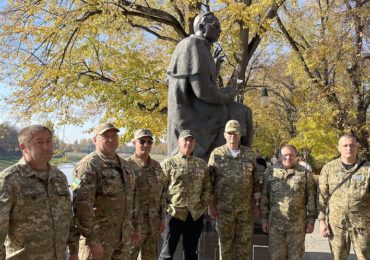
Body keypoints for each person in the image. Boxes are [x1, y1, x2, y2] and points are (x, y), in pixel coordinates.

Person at [167, 11, 253, 160]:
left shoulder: (198, 46)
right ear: (202, 26)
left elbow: (200, 82)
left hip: (196, 107)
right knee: (242, 112)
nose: (220, 30)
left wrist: (214, 66)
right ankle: (240, 159)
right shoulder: (194, 44)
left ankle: (241, 159)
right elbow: (203, 92)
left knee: (239, 110)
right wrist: (230, 94)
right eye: (215, 26)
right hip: (191, 113)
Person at [0, 125, 78, 259]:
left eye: (49, 141)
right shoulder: (9, 180)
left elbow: (68, 217)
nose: (46, 147)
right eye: (39, 142)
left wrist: (74, 251)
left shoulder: (59, 177)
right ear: (24, 147)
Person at [71, 123, 137, 260]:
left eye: (114, 136)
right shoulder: (87, 166)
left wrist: (135, 227)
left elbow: (132, 198)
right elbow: (81, 207)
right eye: (106, 136)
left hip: (123, 240)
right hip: (98, 242)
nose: (111, 139)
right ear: (94, 140)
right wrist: (93, 242)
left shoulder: (126, 166)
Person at [208, 120, 261, 260]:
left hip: (245, 210)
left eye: (236, 133)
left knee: (244, 248)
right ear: (225, 134)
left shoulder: (249, 154)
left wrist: (257, 204)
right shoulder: (217, 154)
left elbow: (255, 181)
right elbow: (209, 182)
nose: (233, 136)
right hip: (224, 210)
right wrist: (210, 205)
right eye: (230, 133)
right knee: (225, 248)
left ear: (240, 135)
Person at [159, 129, 213, 260]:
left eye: (191, 140)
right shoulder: (168, 163)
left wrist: (202, 206)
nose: (188, 143)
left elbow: (207, 187)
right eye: (185, 140)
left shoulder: (201, 164)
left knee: (191, 253)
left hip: (194, 215)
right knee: (167, 253)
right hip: (174, 213)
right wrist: (164, 210)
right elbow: (160, 189)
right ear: (179, 142)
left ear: (194, 143)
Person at [318, 134, 370, 260]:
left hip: (363, 224)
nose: (349, 148)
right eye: (345, 145)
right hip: (337, 224)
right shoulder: (329, 168)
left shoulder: (367, 168)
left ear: (357, 148)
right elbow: (322, 196)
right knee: (338, 257)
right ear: (339, 148)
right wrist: (322, 221)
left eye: (352, 145)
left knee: (365, 256)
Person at [261, 144, 316, 260]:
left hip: (297, 225)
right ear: (279, 157)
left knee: (295, 257)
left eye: (291, 155)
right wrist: (264, 219)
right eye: (285, 155)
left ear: (296, 156)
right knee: (276, 256)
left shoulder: (305, 173)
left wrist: (311, 221)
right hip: (276, 225)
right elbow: (265, 197)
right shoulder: (271, 172)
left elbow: (311, 198)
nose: (288, 157)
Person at [128, 129, 165, 260]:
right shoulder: (127, 166)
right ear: (134, 142)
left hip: (153, 223)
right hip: (134, 224)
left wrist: (162, 218)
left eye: (149, 142)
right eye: (142, 141)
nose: (146, 145)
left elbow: (162, 193)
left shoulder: (157, 166)